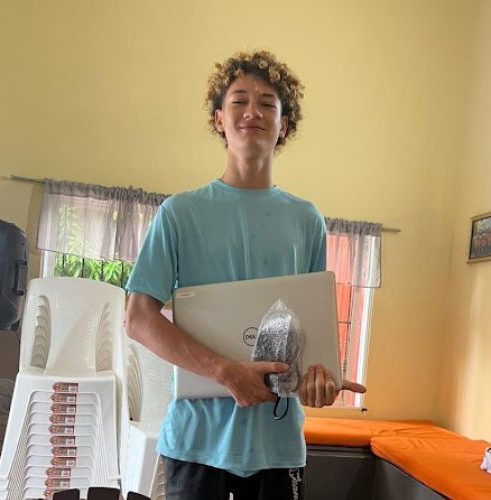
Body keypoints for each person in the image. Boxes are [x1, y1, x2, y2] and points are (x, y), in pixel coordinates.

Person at [125, 50, 366, 500]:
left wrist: (319, 379)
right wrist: (224, 371)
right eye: (238, 100)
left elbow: (309, 330)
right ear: (219, 119)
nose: (252, 112)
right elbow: (138, 318)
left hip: (278, 448)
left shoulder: (307, 220)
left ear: (284, 125)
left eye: (268, 103)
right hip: (196, 445)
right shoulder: (179, 213)